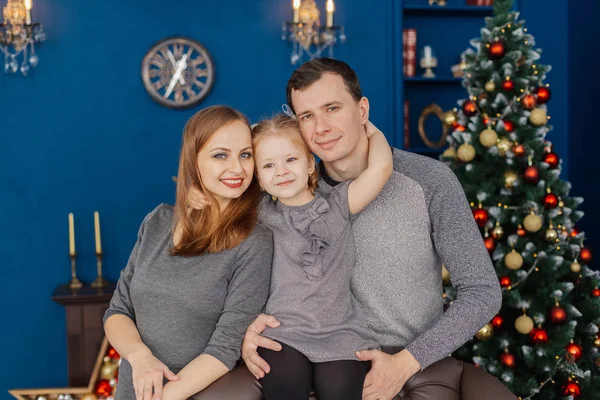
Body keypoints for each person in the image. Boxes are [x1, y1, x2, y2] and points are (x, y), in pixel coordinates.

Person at [194, 58, 503, 400]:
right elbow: (229, 252)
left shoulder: (428, 180)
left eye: (332, 108)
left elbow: (482, 291)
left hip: (401, 361)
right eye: (307, 116)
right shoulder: (286, 189)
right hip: (296, 350)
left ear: (362, 109)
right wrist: (247, 327)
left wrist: (406, 362)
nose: (321, 126)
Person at [192, 114, 392, 399]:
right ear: (257, 178)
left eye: (291, 160)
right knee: (286, 386)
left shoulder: (339, 204)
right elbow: (214, 196)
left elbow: (381, 167)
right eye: (268, 165)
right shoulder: (260, 215)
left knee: (340, 389)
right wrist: (193, 195)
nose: (281, 171)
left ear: (310, 164)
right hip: (282, 332)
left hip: (340, 331)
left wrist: (367, 127)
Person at [103, 105, 274, 400]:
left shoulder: (254, 242)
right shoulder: (157, 221)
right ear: (194, 161)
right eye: (221, 154)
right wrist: (140, 355)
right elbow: (118, 311)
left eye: (245, 154)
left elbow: (224, 349)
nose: (237, 167)